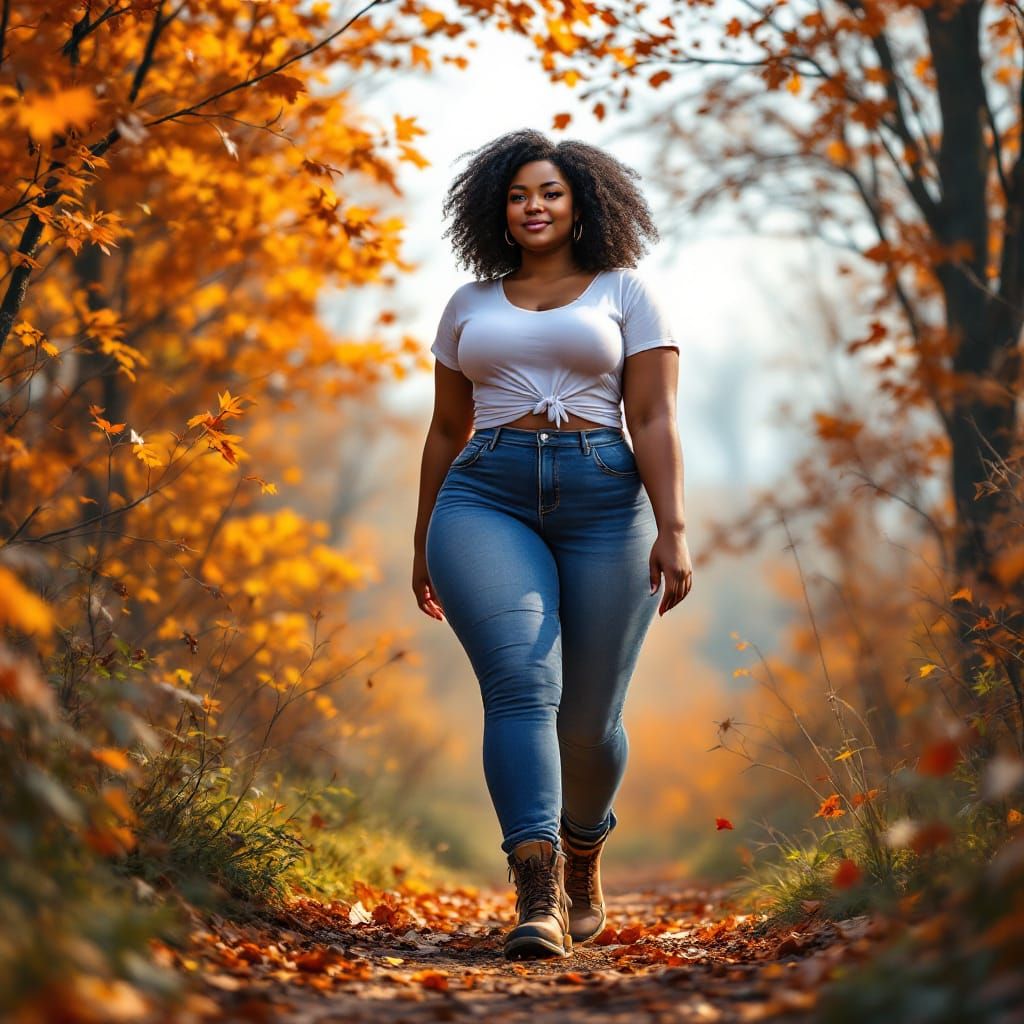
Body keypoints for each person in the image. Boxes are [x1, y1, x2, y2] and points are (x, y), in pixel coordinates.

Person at [412, 129, 692, 961]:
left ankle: (582, 848)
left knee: (589, 719)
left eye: (550, 194)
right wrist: (423, 539)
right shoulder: (468, 304)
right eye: (518, 196)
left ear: (582, 206)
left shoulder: (626, 292)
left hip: (608, 500)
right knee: (521, 683)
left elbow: (653, 418)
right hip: (484, 495)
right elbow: (444, 429)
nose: (533, 207)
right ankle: (535, 890)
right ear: (496, 210)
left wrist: (673, 527)